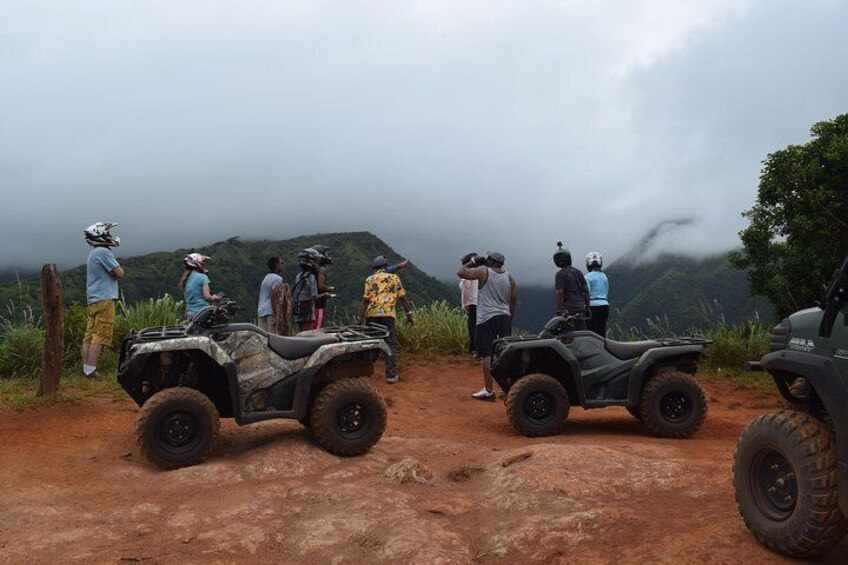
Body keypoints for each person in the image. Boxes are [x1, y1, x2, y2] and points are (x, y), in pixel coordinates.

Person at [458, 252, 516, 401]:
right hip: (504, 317)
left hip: (486, 318)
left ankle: (489, 390)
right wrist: (509, 317)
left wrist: (473, 261)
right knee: (504, 353)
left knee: (486, 354)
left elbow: (461, 272)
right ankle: (507, 387)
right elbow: (513, 299)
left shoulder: (484, 271)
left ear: (490, 261)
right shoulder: (509, 277)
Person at [360, 255, 414, 384]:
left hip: (372, 314)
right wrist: (409, 315)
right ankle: (391, 375)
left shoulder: (370, 279)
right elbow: (403, 299)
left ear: (375, 268)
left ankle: (364, 373)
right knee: (389, 344)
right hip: (388, 314)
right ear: (385, 266)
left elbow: (365, 301)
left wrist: (359, 318)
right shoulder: (394, 278)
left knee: (371, 342)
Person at [82, 222, 124, 379]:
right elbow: (119, 272)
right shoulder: (103, 252)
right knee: (100, 334)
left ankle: (86, 368)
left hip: (93, 298)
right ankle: (92, 370)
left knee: (89, 334)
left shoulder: (93, 253)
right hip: (105, 298)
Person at [292, 248, 331, 332]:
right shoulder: (311, 276)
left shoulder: (299, 275)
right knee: (310, 333)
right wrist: (325, 295)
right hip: (308, 309)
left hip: (298, 308)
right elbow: (314, 296)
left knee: (301, 332)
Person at [554, 242, 590, 330]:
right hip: (581, 308)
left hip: (568, 310)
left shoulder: (560, 274)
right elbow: (586, 291)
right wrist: (587, 307)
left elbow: (560, 293)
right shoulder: (578, 272)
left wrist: (559, 311)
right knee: (581, 333)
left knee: (568, 335)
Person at [180, 253, 222, 320]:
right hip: (201, 313)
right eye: (203, 262)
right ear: (198, 263)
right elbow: (207, 296)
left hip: (190, 313)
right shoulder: (202, 277)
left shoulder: (185, 280)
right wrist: (214, 297)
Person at [584, 251, 610, 337]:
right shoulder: (604, 276)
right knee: (601, 330)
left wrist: (586, 307)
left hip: (593, 306)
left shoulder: (587, 277)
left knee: (592, 332)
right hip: (605, 305)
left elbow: (586, 292)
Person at [459, 252, 479, 356]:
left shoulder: (469, 273)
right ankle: (478, 349)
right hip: (480, 303)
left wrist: (464, 303)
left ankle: (473, 350)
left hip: (472, 302)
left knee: (472, 326)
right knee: (478, 326)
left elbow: (467, 287)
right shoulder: (480, 272)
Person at [257, 257, 284, 333]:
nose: (283, 266)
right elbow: (274, 296)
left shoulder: (266, 277)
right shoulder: (278, 279)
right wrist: (276, 313)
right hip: (270, 310)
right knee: (273, 336)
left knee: (263, 337)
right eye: (281, 263)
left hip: (261, 310)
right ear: (276, 265)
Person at [311, 245, 335, 329]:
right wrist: (329, 289)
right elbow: (320, 286)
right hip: (319, 304)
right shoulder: (321, 269)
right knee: (317, 328)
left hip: (310, 303)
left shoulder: (311, 269)